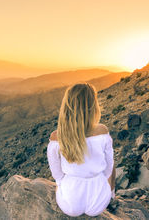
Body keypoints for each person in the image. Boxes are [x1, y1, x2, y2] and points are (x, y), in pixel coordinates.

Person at [47, 82, 116, 217]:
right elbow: (109, 168)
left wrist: (65, 185)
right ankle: (110, 195)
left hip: (70, 204)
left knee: (59, 185)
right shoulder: (102, 131)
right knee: (112, 164)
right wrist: (109, 192)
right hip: (99, 200)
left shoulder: (57, 137)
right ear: (93, 106)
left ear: (67, 107)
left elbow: (57, 175)